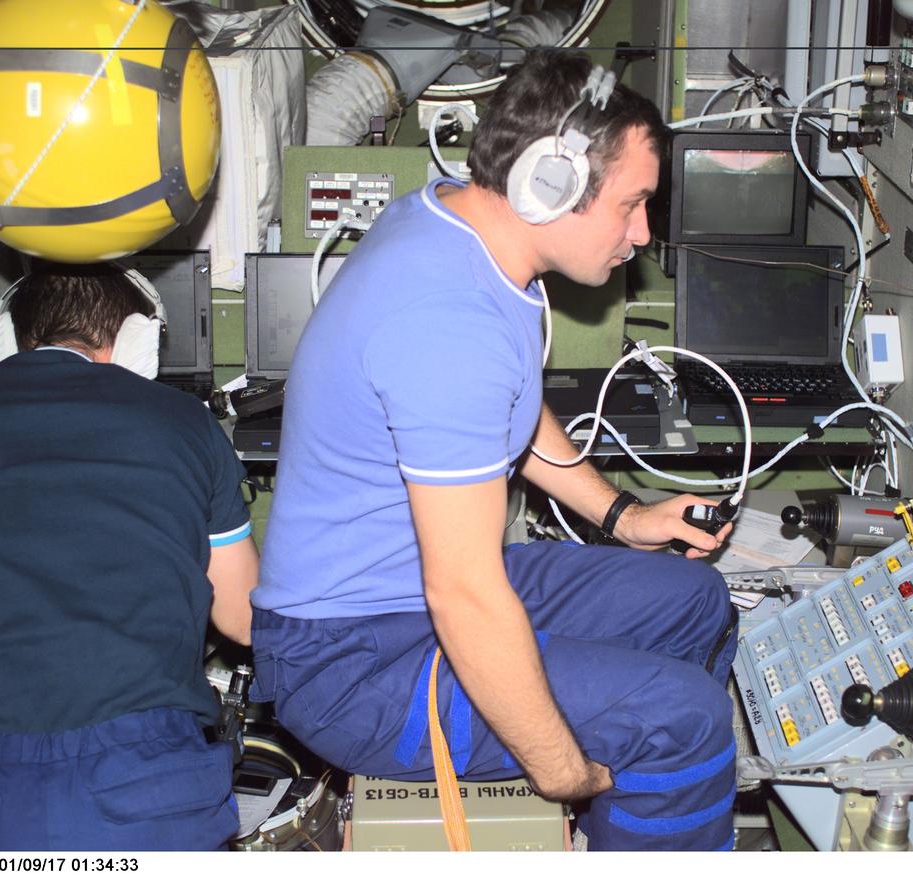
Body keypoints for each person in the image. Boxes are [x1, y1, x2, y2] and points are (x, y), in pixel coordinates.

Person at [252, 50, 738, 851]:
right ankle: (647, 772)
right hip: (350, 663)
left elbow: (511, 410)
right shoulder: (449, 321)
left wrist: (623, 514)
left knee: (694, 601)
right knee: (684, 717)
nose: (641, 234)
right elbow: (467, 598)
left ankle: (635, 812)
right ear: (549, 181)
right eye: (632, 204)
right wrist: (562, 767)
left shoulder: (454, 226)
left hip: (406, 597)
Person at [0, 266, 258, 850]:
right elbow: (241, 617)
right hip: (146, 781)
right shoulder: (185, 422)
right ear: (138, 342)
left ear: (6, 341)